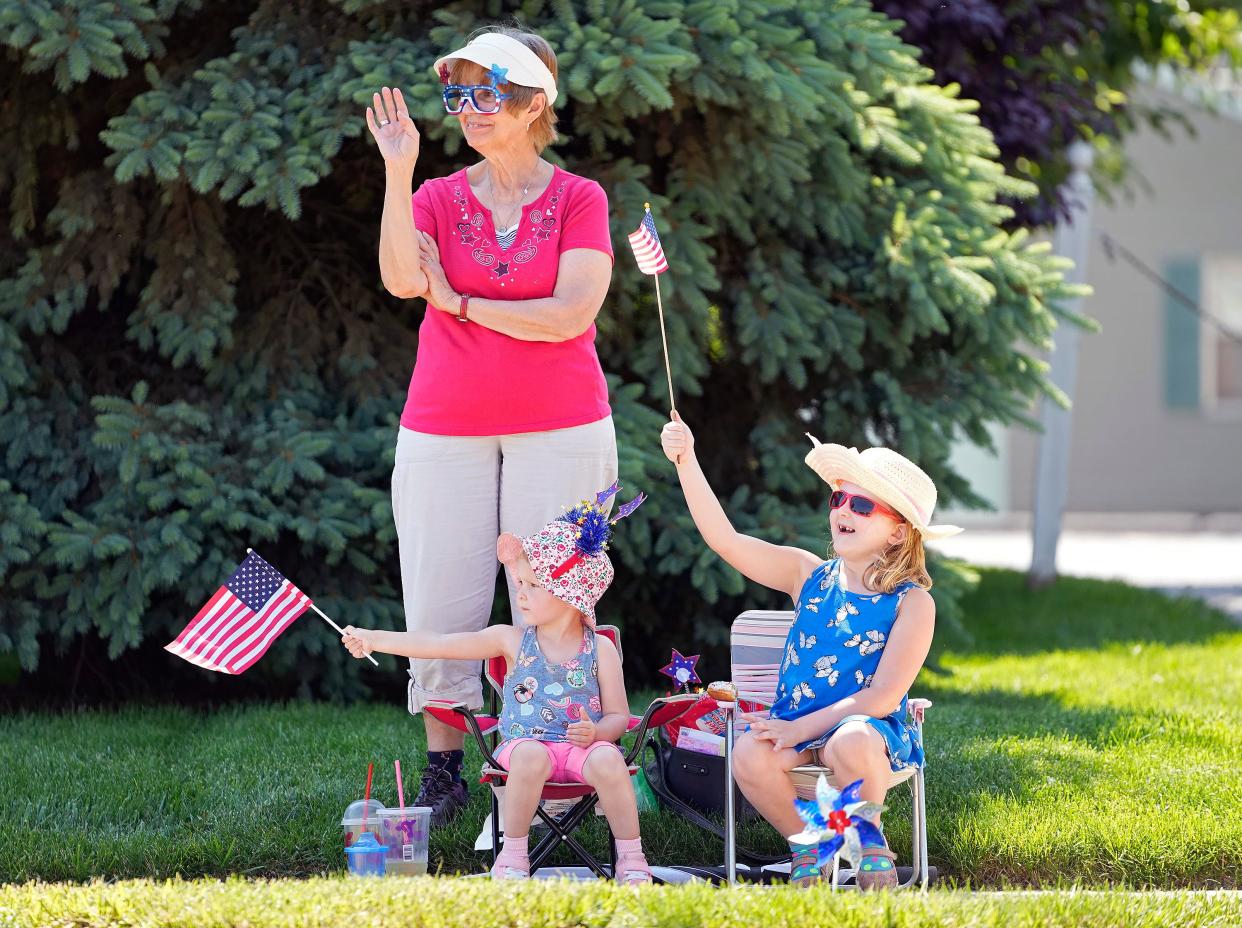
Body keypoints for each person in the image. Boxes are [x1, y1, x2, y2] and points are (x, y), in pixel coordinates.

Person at [365, 25, 618, 825]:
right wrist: (399, 169)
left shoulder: (581, 198)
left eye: (489, 92)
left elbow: (572, 313)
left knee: (551, 599)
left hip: (564, 422)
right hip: (444, 424)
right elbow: (405, 279)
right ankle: (444, 773)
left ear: (533, 101)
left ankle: (547, 770)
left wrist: (466, 303)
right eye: (459, 92)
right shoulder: (435, 196)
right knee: (440, 596)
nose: (469, 108)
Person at [659, 412, 962, 888]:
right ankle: (810, 846)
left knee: (851, 740)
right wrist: (686, 460)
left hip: (867, 731)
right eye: (838, 498)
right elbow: (726, 541)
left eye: (863, 505)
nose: (843, 511)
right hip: (796, 729)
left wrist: (801, 726)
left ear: (900, 532)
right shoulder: (807, 575)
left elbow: (881, 698)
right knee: (748, 754)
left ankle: (868, 840)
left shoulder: (913, 603)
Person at [341, 484, 654, 882]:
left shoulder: (600, 649)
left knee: (610, 758)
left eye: (532, 585)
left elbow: (619, 717)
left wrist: (597, 732)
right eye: (519, 583)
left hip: (582, 750)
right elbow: (440, 643)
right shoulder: (511, 639)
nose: (520, 594)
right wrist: (375, 639)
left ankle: (631, 859)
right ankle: (514, 855)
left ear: (570, 593)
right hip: (524, 747)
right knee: (530, 757)